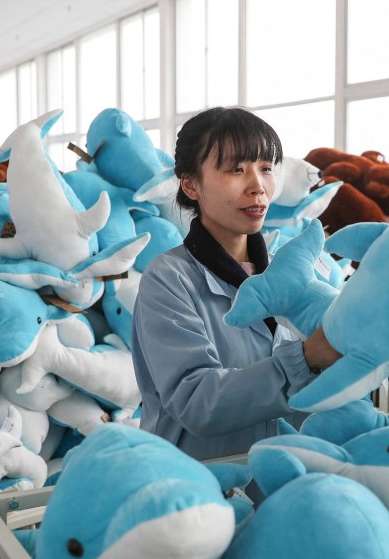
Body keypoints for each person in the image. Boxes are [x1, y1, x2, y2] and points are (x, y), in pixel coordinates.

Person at [131, 107, 341, 461]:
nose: (258, 186)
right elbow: (196, 401)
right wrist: (305, 360)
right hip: (200, 481)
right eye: (236, 169)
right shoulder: (168, 279)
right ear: (191, 184)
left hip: (288, 478)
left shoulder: (292, 272)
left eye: (266, 168)